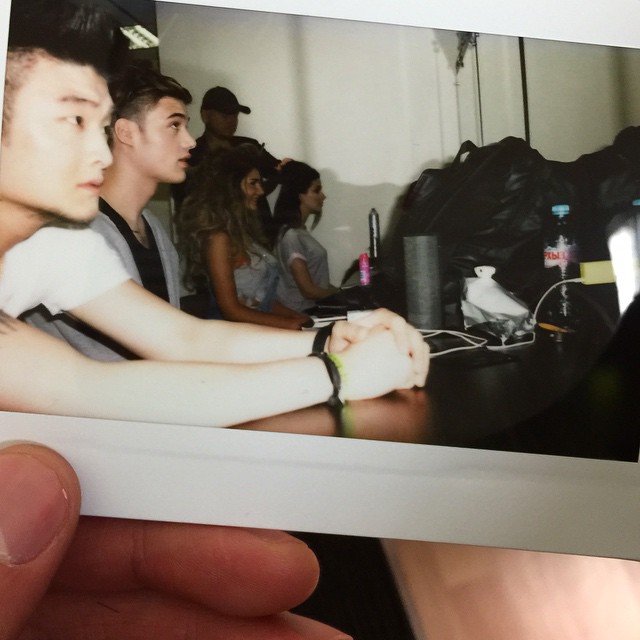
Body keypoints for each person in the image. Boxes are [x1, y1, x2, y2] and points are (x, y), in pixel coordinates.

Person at [0, 0, 427, 637]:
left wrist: (327, 341)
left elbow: (182, 336)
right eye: (73, 121)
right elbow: (91, 387)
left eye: (102, 122)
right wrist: (340, 373)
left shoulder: (53, 245)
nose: (99, 148)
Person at [21, 61, 195, 360]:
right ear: (126, 132)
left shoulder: (153, 228)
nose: (190, 141)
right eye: (174, 125)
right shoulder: (72, 231)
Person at [176, 145, 311, 329]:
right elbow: (231, 310)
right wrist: (290, 325)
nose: (261, 191)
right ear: (231, 188)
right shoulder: (218, 239)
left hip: (253, 330)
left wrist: (297, 317)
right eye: (253, 183)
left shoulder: (243, 233)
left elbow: (260, 300)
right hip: (230, 336)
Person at [173, 85, 288, 234]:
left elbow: (278, 171)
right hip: (214, 232)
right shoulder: (191, 155)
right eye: (225, 116)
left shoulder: (249, 147)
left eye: (235, 116)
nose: (232, 121)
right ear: (205, 116)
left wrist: (257, 188)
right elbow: (183, 199)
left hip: (259, 230)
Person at [272, 161, 340, 312]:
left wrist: (343, 291)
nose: (323, 196)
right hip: (302, 312)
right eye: (316, 190)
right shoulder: (291, 236)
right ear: (300, 195)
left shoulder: (298, 232)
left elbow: (317, 283)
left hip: (311, 309)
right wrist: (341, 295)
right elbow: (308, 291)